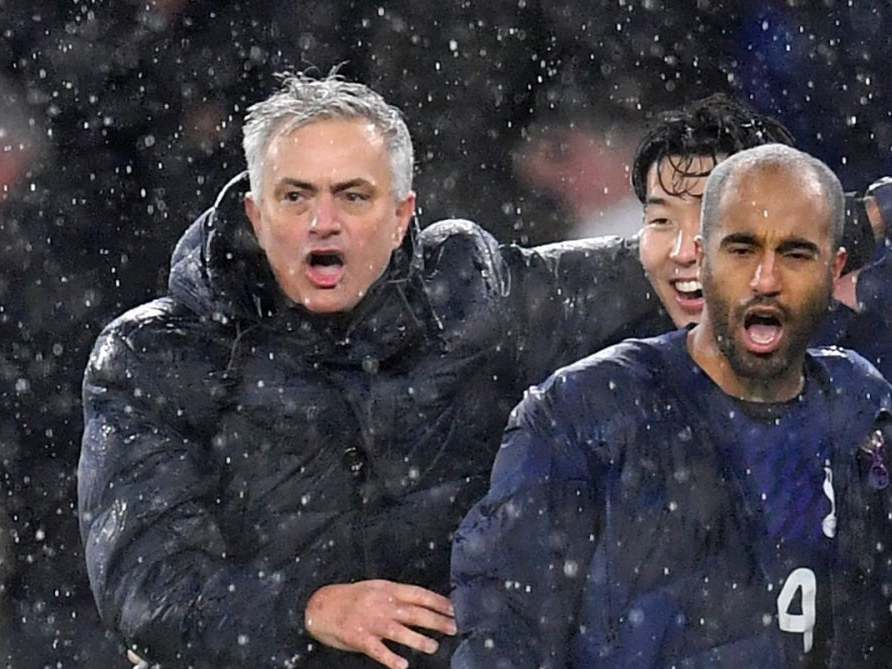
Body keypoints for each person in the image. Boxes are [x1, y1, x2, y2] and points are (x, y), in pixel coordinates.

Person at [77, 72, 670, 669]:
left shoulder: (469, 299)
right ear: (255, 215)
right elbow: (145, 590)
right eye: (295, 196)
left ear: (400, 215)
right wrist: (309, 612)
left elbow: (656, 270)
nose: (322, 221)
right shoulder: (156, 356)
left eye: (353, 196)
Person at [451, 144, 892, 667]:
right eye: (742, 250)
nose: (765, 280)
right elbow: (504, 643)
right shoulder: (582, 411)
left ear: (834, 266)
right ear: (701, 258)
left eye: (795, 253)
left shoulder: (858, 404)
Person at [632, 94, 892, 377]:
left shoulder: (864, 368)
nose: (684, 252)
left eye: (711, 218)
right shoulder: (615, 370)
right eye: (660, 220)